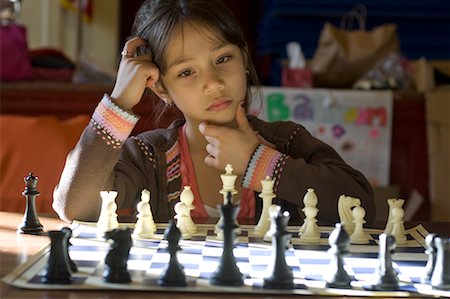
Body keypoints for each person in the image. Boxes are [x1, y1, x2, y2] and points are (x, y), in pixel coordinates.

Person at [53, 0, 375, 225]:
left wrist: (257, 161)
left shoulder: (287, 141)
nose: (212, 83)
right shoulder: (149, 157)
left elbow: (362, 206)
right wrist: (121, 101)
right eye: (186, 72)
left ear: (244, 59)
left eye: (222, 59)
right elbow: (74, 206)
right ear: (161, 89)